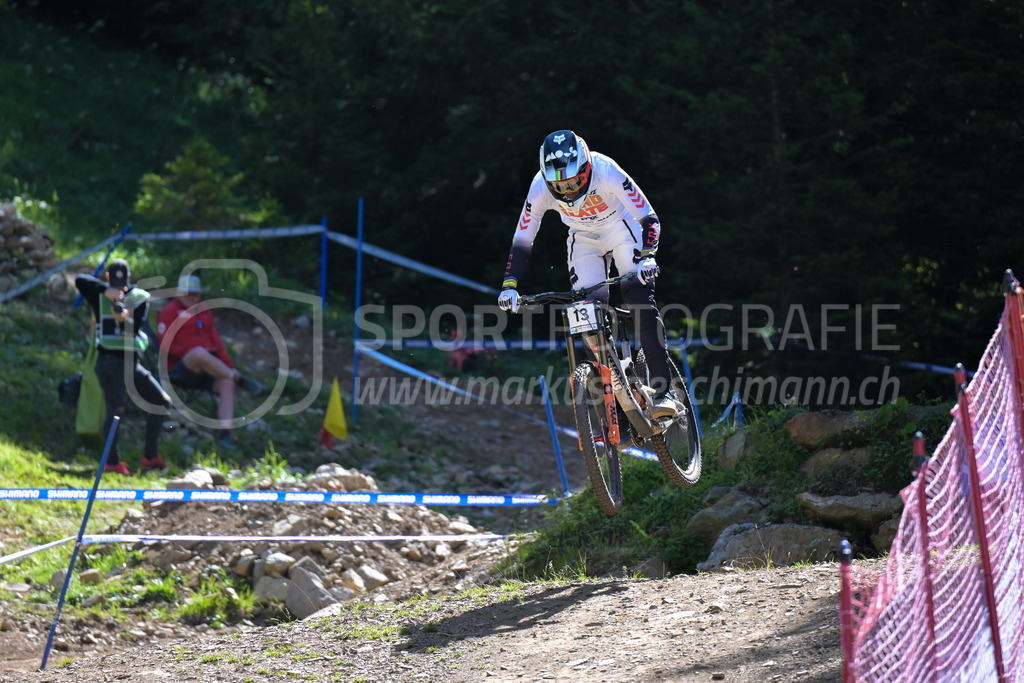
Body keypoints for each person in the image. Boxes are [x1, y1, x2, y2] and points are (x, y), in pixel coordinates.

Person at [497, 130, 682, 419]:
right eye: (559, 185)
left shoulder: (606, 170)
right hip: (583, 237)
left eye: (574, 181)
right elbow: (523, 238)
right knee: (586, 314)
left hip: (622, 227)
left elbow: (649, 217)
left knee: (638, 298)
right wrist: (510, 285)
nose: (568, 190)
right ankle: (620, 405)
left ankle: (664, 392)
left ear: (586, 169)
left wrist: (648, 257)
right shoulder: (539, 186)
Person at [75, 258, 170, 475]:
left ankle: (150, 456)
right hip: (109, 363)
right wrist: (106, 291)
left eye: (122, 284)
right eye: (114, 283)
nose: (119, 287)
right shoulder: (99, 293)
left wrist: (123, 316)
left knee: (161, 401)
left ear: (129, 279)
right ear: (108, 279)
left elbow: (135, 327)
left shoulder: (138, 298)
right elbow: (80, 280)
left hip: (131, 363)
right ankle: (112, 462)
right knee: (115, 410)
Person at [156, 275, 265, 451]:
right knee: (199, 352)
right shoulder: (169, 312)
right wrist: (189, 351)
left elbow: (217, 345)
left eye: (195, 294)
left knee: (227, 383)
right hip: (179, 369)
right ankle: (240, 379)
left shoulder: (204, 312)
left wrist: (229, 366)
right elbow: (164, 346)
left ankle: (225, 433)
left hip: (206, 369)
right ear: (178, 293)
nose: (192, 298)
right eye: (187, 294)